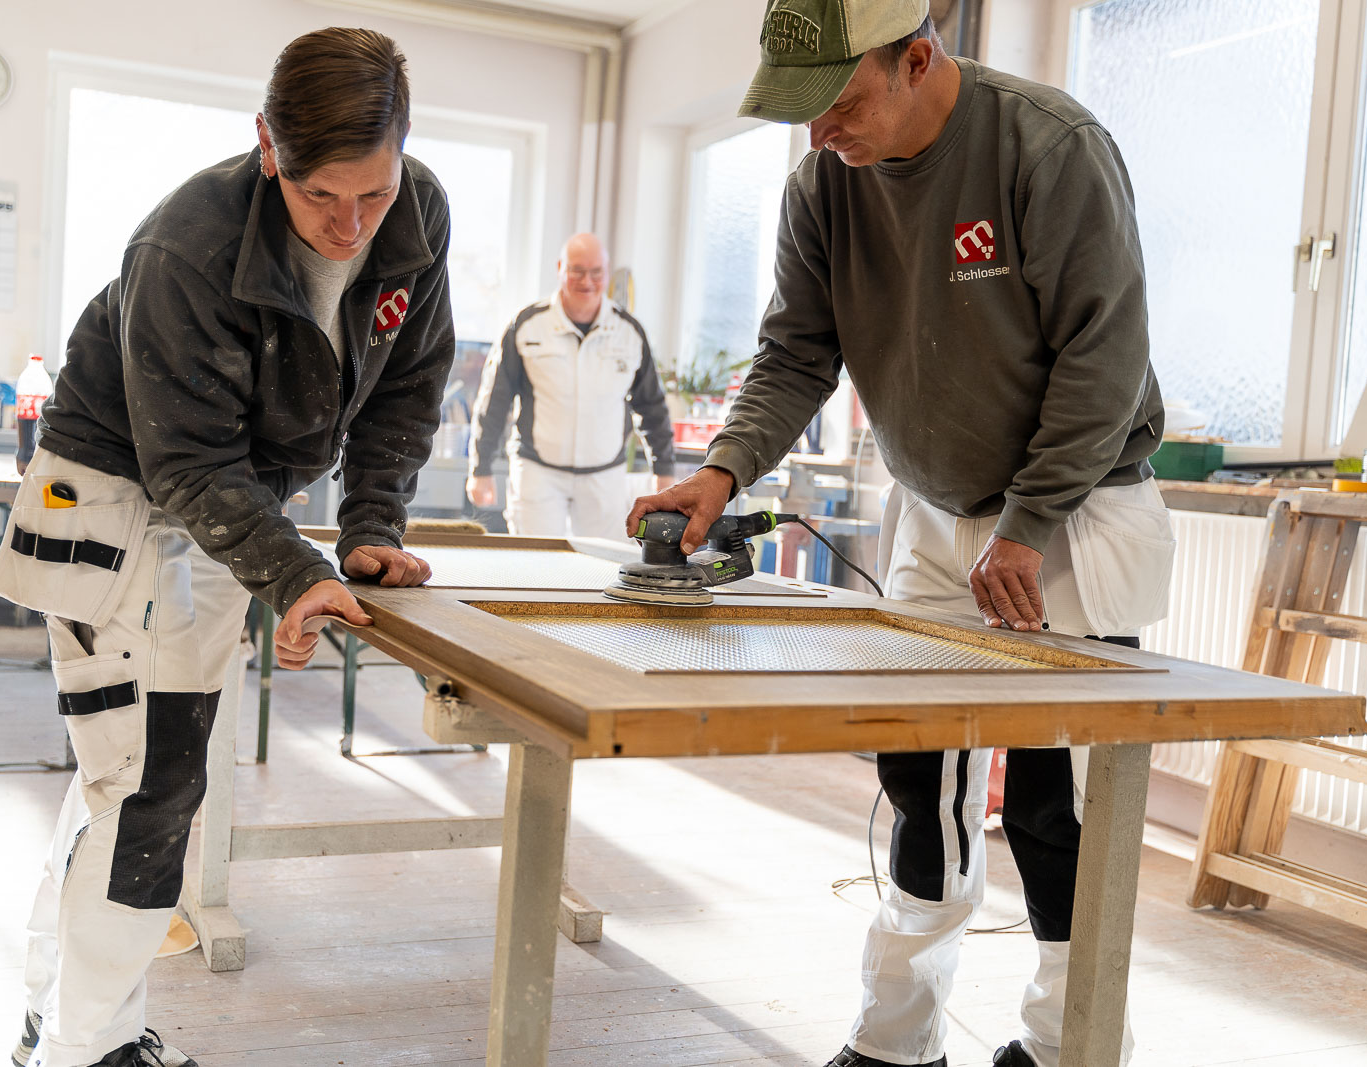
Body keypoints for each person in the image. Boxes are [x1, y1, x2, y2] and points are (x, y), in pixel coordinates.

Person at [627, 3, 1175, 1066]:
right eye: (802, 113)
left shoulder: (1047, 147)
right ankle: (897, 1039)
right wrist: (722, 469)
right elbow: (796, 353)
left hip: (1072, 511)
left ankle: (1069, 1044)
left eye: (837, 103)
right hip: (932, 508)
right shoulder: (822, 184)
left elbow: (1103, 358)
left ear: (917, 58)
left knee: (1055, 800)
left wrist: (1028, 522)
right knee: (920, 779)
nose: (820, 132)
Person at [0, 27, 452, 1067]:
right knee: (147, 788)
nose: (350, 227)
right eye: (320, 196)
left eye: (372, 194)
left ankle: (58, 1020)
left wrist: (371, 528)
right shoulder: (184, 245)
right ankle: (87, 1049)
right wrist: (293, 570)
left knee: (125, 776)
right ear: (267, 146)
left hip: (221, 509)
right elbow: (188, 460)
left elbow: (410, 386)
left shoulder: (417, 210)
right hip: (114, 499)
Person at [467, 233, 675, 537]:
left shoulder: (629, 332)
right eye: (577, 270)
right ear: (560, 268)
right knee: (535, 562)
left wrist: (664, 469)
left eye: (596, 272)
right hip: (538, 473)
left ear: (607, 273)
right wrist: (480, 468)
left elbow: (651, 406)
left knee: (602, 562)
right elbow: (494, 401)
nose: (587, 281)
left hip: (605, 477)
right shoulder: (526, 326)